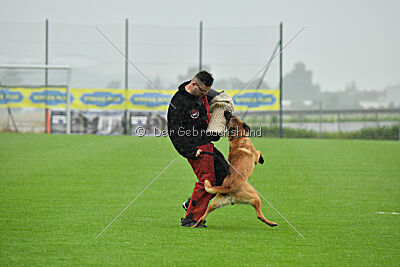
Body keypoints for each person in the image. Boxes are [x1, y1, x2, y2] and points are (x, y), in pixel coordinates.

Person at [167, 70, 230, 228]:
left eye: (207, 92)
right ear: (193, 84)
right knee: (207, 181)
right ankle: (192, 219)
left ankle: (191, 204)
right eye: (203, 91)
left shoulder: (203, 94)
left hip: (207, 142)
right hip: (195, 147)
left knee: (226, 176)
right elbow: (174, 132)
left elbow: (220, 101)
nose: (205, 95)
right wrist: (190, 151)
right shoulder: (178, 102)